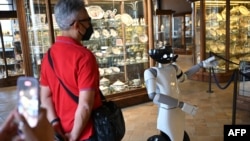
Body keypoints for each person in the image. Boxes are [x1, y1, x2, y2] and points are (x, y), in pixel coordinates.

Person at [39, 0, 102, 141]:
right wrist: (73, 136)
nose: (90, 25)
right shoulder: (84, 57)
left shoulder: (48, 56)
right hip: (86, 131)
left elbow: (45, 97)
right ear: (77, 25)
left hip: (61, 129)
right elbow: (85, 105)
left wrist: (55, 124)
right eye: (88, 20)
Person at [144, 45, 217, 141]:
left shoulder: (173, 68)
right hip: (167, 109)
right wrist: (180, 104)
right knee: (169, 133)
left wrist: (200, 65)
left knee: (178, 131)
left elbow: (184, 77)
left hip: (179, 107)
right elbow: (153, 96)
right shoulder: (151, 72)